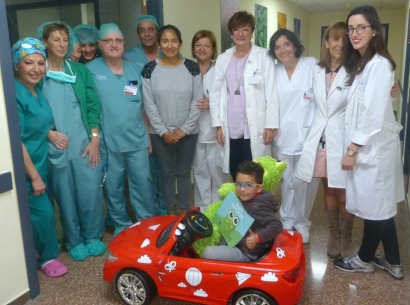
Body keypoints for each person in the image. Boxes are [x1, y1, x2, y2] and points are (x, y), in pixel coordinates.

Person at [333, 5, 404, 280]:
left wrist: (352, 149)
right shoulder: (363, 65)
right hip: (370, 149)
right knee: (380, 207)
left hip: (371, 151)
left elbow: (372, 114)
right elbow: (377, 102)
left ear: (374, 30)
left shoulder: (379, 65)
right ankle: (394, 261)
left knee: (376, 208)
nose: (354, 33)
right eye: (351, 28)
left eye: (361, 27)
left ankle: (364, 259)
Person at [38, 21, 106, 261]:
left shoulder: (79, 71)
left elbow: (91, 105)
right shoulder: (38, 73)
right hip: (54, 143)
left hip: (83, 141)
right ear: (44, 42)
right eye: (56, 39)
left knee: (89, 191)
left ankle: (93, 236)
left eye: (65, 39)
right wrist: (49, 132)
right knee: (64, 194)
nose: (61, 44)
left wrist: (95, 138)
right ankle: (74, 239)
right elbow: (31, 111)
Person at [87, 23, 156, 235]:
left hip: (136, 138)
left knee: (142, 183)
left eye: (118, 40)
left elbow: (143, 106)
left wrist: (147, 136)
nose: (114, 44)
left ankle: (147, 221)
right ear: (100, 44)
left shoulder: (135, 70)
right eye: (108, 41)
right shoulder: (90, 70)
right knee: (113, 186)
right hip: (108, 142)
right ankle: (121, 224)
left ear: (124, 43)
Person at [295, 22, 354, 258]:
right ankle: (334, 234)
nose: (339, 44)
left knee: (344, 192)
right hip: (320, 138)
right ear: (327, 43)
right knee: (328, 189)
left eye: (344, 40)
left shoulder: (355, 70)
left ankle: (347, 237)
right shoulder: (316, 70)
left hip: (343, 137)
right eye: (335, 39)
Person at [12, 37, 67, 277]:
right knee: (43, 213)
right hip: (25, 167)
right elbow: (17, 140)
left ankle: (32, 250)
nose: (36, 69)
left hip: (39, 160)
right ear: (16, 66)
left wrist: (50, 134)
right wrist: (34, 176)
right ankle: (47, 258)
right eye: (28, 63)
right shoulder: (14, 94)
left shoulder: (36, 91)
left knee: (34, 213)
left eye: (40, 63)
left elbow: (36, 122)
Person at [142, 24, 202, 216]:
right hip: (161, 134)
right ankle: (170, 214)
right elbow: (148, 104)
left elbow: (197, 101)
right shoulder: (150, 69)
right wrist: (163, 131)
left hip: (188, 133)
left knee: (184, 173)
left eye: (174, 41)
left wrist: (184, 129)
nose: (170, 45)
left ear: (180, 43)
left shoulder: (192, 67)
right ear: (159, 44)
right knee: (166, 175)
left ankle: (185, 213)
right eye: (165, 41)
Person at [209, 10, 277, 181]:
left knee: (254, 173)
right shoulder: (224, 58)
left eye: (245, 29)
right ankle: (238, 207)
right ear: (231, 32)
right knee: (235, 170)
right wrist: (218, 125)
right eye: (236, 29)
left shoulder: (264, 56)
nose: (240, 34)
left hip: (255, 126)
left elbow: (272, 92)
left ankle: (255, 208)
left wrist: (270, 125)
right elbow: (216, 93)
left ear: (252, 32)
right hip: (230, 126)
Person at [269, 28, 320, 243]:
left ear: (294, 45)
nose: (283, 50)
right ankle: (287, 219)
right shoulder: (274, 72)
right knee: (286, 180)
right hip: (283, 135)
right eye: (277, 47)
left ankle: (302, 222)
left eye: (286, 44)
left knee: (304, 182)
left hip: (308, 134)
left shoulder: (312, 65)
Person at [124, 14, 165, 214]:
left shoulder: (169, 52)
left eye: (151, 29)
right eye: (143, 30)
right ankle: (151, 211)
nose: (147, 34)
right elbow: (129, 90)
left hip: (167, 120)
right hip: (142, 121)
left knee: (165, 169)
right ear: (138, 34)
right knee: (146, 171)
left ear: (157, 31)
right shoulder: (129, 58)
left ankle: (165, 208)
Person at [203, 161, 282, 262]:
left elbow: (277, 225)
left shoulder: (257, 207)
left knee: (207, 252)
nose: (242, 189)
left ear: (259, 188)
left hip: (247, 252)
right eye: (239, 184)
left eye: (248, 185)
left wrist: (257, 238)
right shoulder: (249, 197)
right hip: (237, 239)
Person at [191, 30, 229, 212]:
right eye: (198, 45)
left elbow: (229, 98)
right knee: (199, 172)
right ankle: (204, 211)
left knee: (218, 173)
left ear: (213, 49)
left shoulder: (220, 69)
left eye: (207, 45)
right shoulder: (188, 69)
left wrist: (212, 104)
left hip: (216, 131)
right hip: (194, 131)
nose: (202, 49)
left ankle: (221, 212)